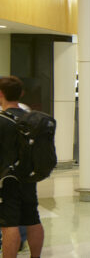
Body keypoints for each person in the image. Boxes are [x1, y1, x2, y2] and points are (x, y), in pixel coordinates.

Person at [0, 76, 43, 258]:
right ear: (21, 94)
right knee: (32, 219)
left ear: (1, 94)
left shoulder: (2, 121)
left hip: (7, 179)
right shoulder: (30, 118)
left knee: (9, 224)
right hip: (29, 177)